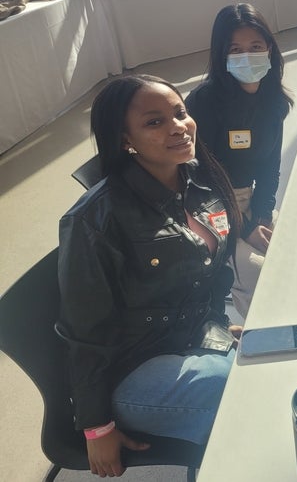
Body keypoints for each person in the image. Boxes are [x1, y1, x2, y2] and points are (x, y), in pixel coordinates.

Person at [57, 75, 243, 478]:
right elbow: (84, 332)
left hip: (189, 339)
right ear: (125, 139)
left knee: (271, 367)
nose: (178, 127)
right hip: (131, 370)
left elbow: (210, 277)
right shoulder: (94, 218)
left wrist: (218, 327)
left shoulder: (199, 179)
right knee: (244, 399)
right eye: (155, 122)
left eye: (180, 113)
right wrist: (96, 426)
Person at [186, 3, 293, 317]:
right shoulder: (204, 102)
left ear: (270, 49)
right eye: (235, 49)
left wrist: (263, 213)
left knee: (293, 254)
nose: (247, 56)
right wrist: (244, 228)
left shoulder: (273, 101)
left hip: (247, 201)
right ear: (222, 55)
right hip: (206, 208)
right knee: (257, 274)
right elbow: (199, 180)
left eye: (256, 47)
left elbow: (270, 168)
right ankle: (261, 334)